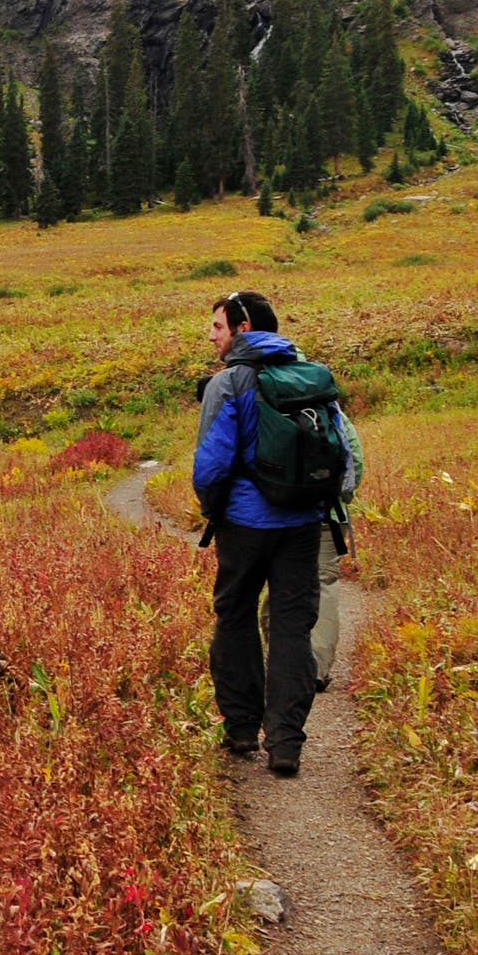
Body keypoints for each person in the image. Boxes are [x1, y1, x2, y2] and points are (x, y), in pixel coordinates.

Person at [192, 290, 342, 777]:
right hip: (302, 525)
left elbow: (211, 466)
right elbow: (339, 455)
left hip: (244, 526)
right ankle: (286, 746)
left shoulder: (228, 383)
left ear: (243, 326)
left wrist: (215, 511)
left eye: (218, 326)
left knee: (234, 619)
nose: (211, 336)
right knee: (292, 629)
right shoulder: (312, 376)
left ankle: (240, 730)